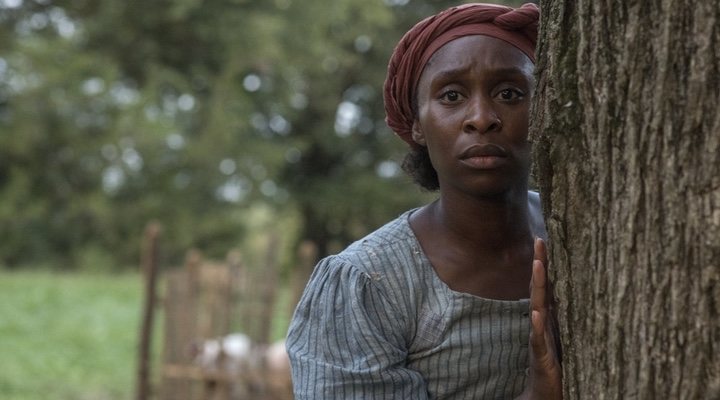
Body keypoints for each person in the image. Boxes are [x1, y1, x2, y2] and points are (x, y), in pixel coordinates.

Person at [286, 3, 562, 399]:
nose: (482, 118)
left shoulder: (577, 236)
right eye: (451, 96)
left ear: (542, 108)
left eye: (509, 93)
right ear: (417, 122)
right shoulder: (367, 285)